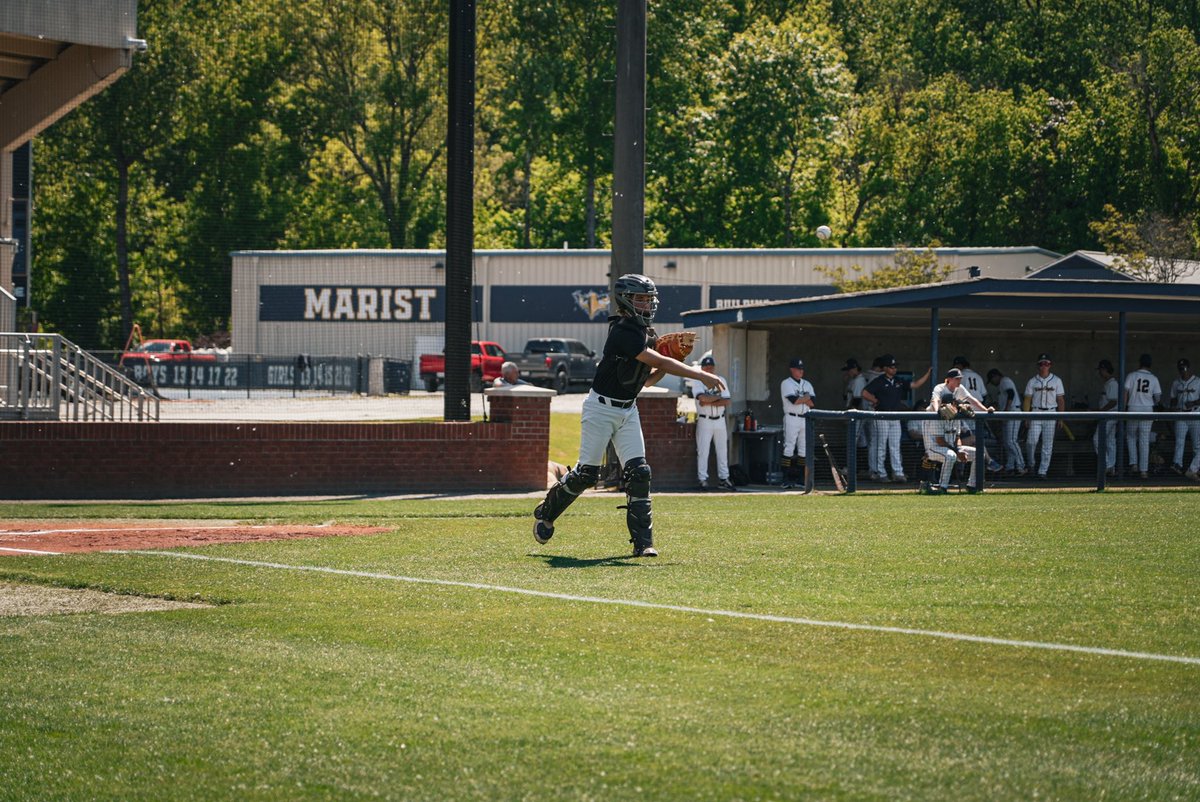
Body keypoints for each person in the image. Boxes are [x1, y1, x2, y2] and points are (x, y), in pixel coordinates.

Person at [532, 274, 725, 557]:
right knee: (587, 474)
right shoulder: (623, 330)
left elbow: (648, 378)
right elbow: (657, 360)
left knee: (640, 472)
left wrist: (678, 360)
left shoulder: (647, 333)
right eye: (641, 298)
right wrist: (696, 372)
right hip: (600, 408)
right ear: (625, 299)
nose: (647, 304)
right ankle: (547, 512)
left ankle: (643, 543)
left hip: (627, 408)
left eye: (649, 298)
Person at [861, 354, 932, 482]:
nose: (894, 369)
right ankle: (881, 473)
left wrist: (927, 374)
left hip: (895, 416)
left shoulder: (898, 380)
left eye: (895, 367)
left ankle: (898, 473)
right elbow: (864, 393)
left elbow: (914, 385)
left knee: (895, 445)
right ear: (885, 368)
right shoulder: (879, 380)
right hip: (881, 416)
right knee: (881, 445)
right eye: (891, 367)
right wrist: (875, 401)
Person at [690, 355, 735, 492]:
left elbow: (727, 401)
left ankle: (724, 478)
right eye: (706, 367)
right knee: (703, 451)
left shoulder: (720, 380)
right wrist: (717, 398)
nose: (709, 370)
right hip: (705, 419)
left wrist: (710, 399)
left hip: (720, 420)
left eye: (711, 367)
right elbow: (702, 398)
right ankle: (702, 479)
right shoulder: (698, 381)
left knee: (722, 450)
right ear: (702, 368)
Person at [921, 392, 977, 494]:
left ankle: (972, 486)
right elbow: (940, 441)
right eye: (955, 404)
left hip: (951, 448)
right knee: (951, 456)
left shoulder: (956, 417)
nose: (957, 407)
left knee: (978, 454)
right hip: (934, 448)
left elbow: (957, 437)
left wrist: (959, 449)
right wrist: (957, 452)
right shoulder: (937, 417)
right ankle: (942, 488)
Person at [1022, 353, 1066, 479]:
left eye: (1046, 363)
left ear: (1050, 365)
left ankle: (1043, 471)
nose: (1044, 366)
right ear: (1038, 365)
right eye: (1041, 363)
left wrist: (1061, 417)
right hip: (1036, 412)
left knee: (1047, 444)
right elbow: (1027, 399)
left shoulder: (1057, 380)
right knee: (1031, 441)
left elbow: (1061, 399)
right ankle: (1031, 464)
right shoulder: (1032, 381)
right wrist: (1026, 416)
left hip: (1051, 412)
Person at [779, 357, 816, 488]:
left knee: (803, 449)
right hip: (791, 417)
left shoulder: (807, 384)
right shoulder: (786, 383)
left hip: (805, 417)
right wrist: (805, 397)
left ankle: (801, 479)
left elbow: (812, 403)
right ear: (792, 369)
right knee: (789, 447)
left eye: (802, 369)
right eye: (798, 369)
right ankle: (785, 479)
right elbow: (794, 400)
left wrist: (804, 398)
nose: (801, 371)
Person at [1124, 353, 1162, 479]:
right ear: (1150, 365)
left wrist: (1124, 409)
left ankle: (1133, 463)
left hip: (1133, 408)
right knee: (1144, 440)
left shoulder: (1132, 375)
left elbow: (1125, 393)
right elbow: (1157, 398)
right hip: (1147, 410)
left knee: (1130, 436)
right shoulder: (1154, 378)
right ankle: (1143, 470)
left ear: (1139, 363)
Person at [987, 368, 1025, 475]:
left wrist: (1006, 410)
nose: (993, 383)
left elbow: (1011, 394)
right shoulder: (1002, 384)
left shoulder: (1005, 380)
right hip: (1008, 412)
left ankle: (1022, 466)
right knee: (1007, 442)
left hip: (1013, 412)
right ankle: (1010, 467)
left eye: (992, 380)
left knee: (1011, 441)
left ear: (996, 376)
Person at [1168, 358, 1200, 475]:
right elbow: (1173, 398)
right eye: (1181, 369)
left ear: (1189, 368)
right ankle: (1177, 464)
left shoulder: (1197, 381)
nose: (1183, 371)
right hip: (1181, 414)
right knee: (1179, 441)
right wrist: (1172, 408)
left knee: (1197, 444)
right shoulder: (1176, 383)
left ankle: (1196, 468)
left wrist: (1194, 402)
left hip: (1195, 414)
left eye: (1184, 368)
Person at [1092, 359, 1119, 476]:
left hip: (1109, 415)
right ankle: (1111, 467)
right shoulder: (1108, 383)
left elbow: (1113, 402)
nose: (1099, 373)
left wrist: (1100, 411)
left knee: (1097, 439)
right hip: (1108, 415)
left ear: (1105, 370)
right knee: (1110, 442)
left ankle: (1107, 465)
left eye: (1101, 370)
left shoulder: (1113, 383)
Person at [842, 357, 869, 452]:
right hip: (856, 413)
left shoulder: (859, 381)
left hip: (857, 413)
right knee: (861, 439)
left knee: (853, 439)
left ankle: (850, 466)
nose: (847, 372)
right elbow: (847, 396)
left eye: (849, 370)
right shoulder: (854, 380)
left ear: (854, 369)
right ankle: (860, 464)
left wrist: (849, 416)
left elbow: (857, 401)